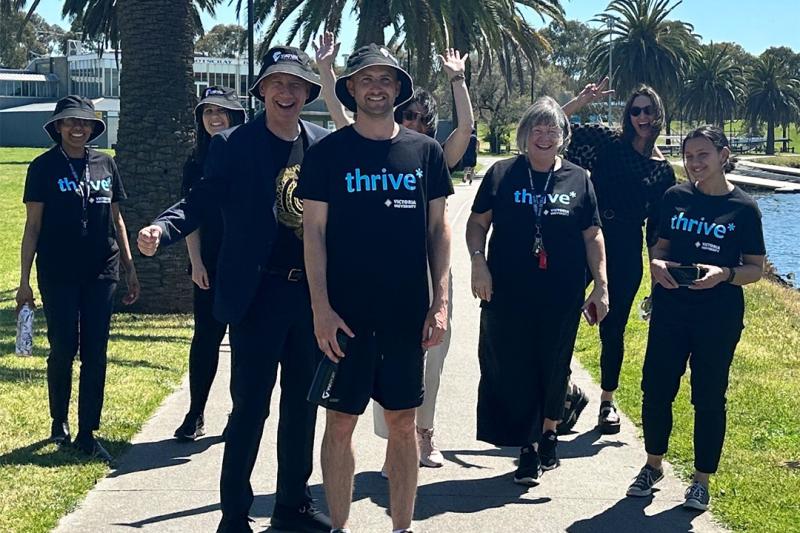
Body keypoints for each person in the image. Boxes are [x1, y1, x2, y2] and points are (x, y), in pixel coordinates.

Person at [137, 47, 331, 533]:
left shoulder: (323, 145)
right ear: (262, 90)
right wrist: (163, 228)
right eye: (277, 84)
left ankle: (292, 504)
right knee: (249, 407)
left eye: (296, 85)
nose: (286, 93)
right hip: (257, 298)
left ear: (308, 93)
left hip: (309, 299)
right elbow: (200, 200)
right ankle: (234, 515)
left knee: (302, 407)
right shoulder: (233, 144)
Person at [299, 43, 452, 533]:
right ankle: (339, 526)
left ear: (398, 89)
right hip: (345, 316)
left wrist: (440, 302)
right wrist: (320, 308)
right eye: (367, 78)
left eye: (386, 79)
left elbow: (438, 230)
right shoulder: (328, 154)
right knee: (340, 424)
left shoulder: (423, 151)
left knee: (404, 423)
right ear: (351, 87)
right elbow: (314, 233)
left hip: (406, 315)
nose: (377, 86)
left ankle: (401, 527)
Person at [315, 31, 472, 471]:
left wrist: (458, 81)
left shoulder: (431, 155)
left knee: (430, 362)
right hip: (374, 283)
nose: (417, 121)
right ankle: (397, 446)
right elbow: (338, 109)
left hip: (427, 275)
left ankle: (422, 434)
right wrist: (327, 71)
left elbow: (465, 130)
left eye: (424, 116)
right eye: (412, 114)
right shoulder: (361, 145)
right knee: (372, 380)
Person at [466, 96, 609, 484]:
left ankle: (547, 432)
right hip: (507, 291)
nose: (544, 136)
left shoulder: (579, 178)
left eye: (552, 129)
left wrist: (601, 285)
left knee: (553, 365)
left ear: (563, 136)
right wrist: (478, 262)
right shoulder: (501, 174)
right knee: (512, 367)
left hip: (560, 293)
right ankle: (528, 447)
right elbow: (477, 224)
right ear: (524, 134)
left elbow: (592, 234)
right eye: (536, 129)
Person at [626, 125, 765, 510]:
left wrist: (725, 274)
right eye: (688, 156)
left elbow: (755, 268)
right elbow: (660, 248)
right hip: (671, 308)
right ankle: (653, 465)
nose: (694, 163)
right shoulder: (674, 198)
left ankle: (701, 480)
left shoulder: (744, 209)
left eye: (703, 155)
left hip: (718, 316)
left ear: (723, 155)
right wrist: (657, 265)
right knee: (655, 389)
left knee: (708, 397)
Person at [16, 95, 140, 464]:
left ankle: (88, 431)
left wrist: (130, 267)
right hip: (58, 273)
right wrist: (24, 282)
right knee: (63, 348)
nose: (77, 128)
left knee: (96, 352)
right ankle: (59, 422)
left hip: (103, 270)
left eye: (84, 123)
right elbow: (32, 225)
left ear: (92, 128)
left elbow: (117, 219)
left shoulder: (106, 164)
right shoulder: (42, 168)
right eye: (70, 122)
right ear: (57, 127)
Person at [561, 80, 676, 434]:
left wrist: (659, 274)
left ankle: (607, 402)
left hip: (626, 249)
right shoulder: (607, 141)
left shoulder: (662, 170)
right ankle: (562, 392)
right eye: (635, 110)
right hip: (585, 235)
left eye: (648, 110)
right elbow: (552, 126)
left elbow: (656, 231)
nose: (642, 116)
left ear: (658, 115)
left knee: (613, 329)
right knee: (561, 316)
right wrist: (580, 101)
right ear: (628, 115)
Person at [174, 86, 246, 442]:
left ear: (235, 115)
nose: (215, 118)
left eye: (222, 111)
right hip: (209, 266)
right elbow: (191, 217)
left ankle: (239, 413)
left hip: (247, 267)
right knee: (206, 340)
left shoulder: (248, 155)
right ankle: (195, 413)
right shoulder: (195, 162)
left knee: (244, 345)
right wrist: (196, 263)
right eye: (208, 112)